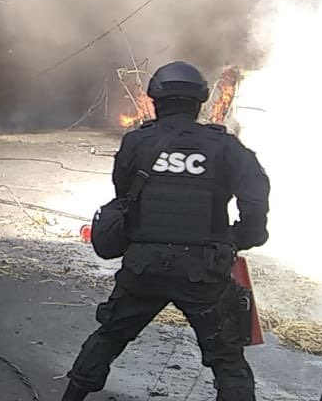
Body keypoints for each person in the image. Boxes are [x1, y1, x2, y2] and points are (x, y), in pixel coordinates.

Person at [63, 61, 271, 401]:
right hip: (203, 270)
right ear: (199, 102)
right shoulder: (225, 146)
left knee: (110, 336)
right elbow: (256, 194)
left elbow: (124, 194)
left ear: (156, 101)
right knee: (227, 359)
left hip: (144, 264)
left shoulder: (137, 142)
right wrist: (242, 237)